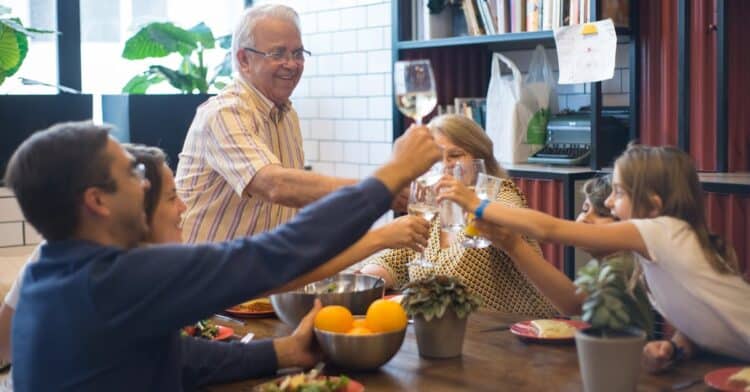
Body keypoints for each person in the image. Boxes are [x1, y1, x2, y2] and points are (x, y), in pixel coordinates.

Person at [5, 120, 440, 390]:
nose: (144, 185)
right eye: (132, 173)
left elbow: (181, 358)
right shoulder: (116, 279)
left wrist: (281, 353)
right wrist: (389, 177)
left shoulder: (47, 274)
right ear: (97, 201)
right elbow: (275, 254)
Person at [438, 144, 750, 370]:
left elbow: (548, 230)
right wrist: (677, 347)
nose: (610, 202)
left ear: (653, 205)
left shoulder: (660, 230)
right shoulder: (664, 247)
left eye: (619, 192)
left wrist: (475, 204)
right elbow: (701, 316)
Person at [176, 4, 405, 244]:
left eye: (297, 53)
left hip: (259, 273)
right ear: (244, 59)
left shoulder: (286, 114)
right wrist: (379, 189)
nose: (292, 64)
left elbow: (286, 209)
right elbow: (276, 186)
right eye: (278, 53)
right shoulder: (224, 113)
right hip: (209, 276)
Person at [361, 114, 557, 316]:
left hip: (522, 333)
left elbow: (511, 222)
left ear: (480, 159)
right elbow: (395, 259)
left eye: (455, 155)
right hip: (458, 334)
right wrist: (366, 281)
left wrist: (472, 203)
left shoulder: (498, 194)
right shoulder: (434, 207)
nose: (445, 165)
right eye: (436, 158)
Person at [474, 175, 621, 316]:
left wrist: (513, 244)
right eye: (584, 209)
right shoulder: (598, 267)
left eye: (601, 214)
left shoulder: (625, 268)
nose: (585, 218)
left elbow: (576, 305)